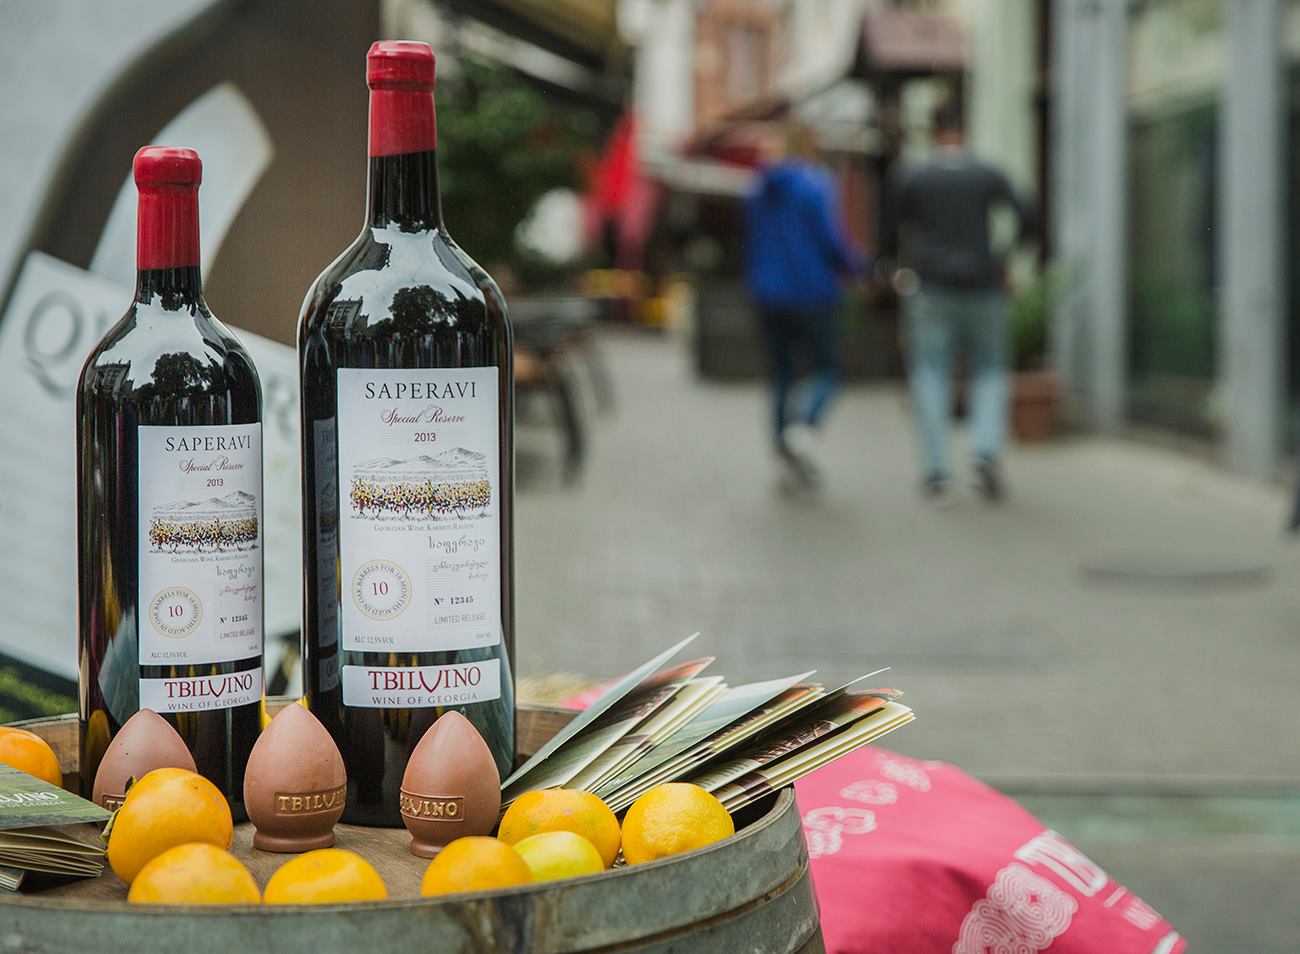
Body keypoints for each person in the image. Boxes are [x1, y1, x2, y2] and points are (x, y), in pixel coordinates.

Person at [894, 102, 1032, 503]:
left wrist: (893, 268)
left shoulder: (914, 176)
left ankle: (937, 471)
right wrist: (1006, 258)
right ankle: (985, 451)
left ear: (933, 134)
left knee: (930, 371)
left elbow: (891, 227)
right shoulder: (987, 172)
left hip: (931, 285)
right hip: (983, 285)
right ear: (964, 132)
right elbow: (1027, 210)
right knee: (990, 369)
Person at [744, 124, 868, 491]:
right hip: (813, 293)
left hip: (768, 295)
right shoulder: (816, 184)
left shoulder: (758, 188)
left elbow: (750, 242)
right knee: (827, 369)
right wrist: (858, 267)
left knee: (781, 375)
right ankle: (801, 432)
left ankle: (784, 456)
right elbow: (831, 240)